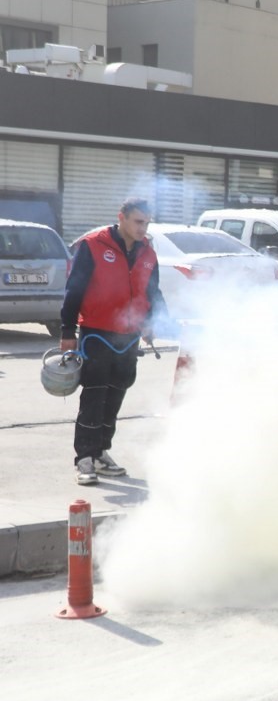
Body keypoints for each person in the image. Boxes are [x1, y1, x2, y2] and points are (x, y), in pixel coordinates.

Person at [58, 197, 167, 486]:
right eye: (138, 222)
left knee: (117, 393)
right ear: (122, 217)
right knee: (94, 394)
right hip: (96, 332)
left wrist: (153, 323)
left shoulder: (148, 253)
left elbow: (153, 291)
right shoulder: (94, 245)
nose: (143, 228)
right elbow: (74, 289)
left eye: (147, 222)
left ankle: (101, 452)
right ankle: (84, 458)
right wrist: (67, 331)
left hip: (129, 335)